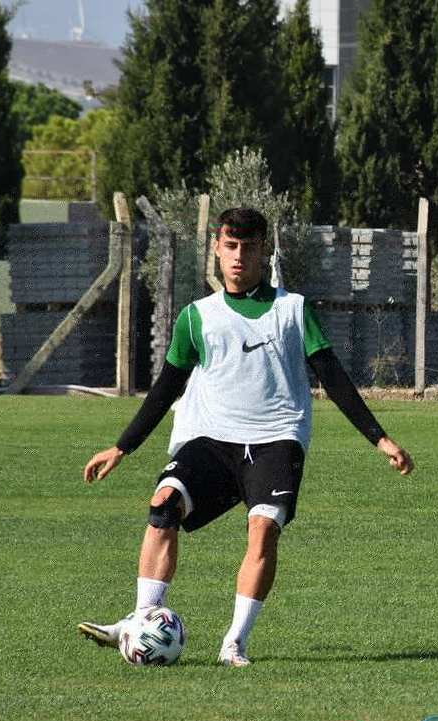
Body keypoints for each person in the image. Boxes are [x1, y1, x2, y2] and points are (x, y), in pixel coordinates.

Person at [78, 207, 414, 667]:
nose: (238, 257)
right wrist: (122, 446)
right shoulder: (197, 317)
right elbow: (166, 387)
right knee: (164, 505)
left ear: (263, 252)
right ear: (216, 248)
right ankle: (140, 620)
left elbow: (333, 377)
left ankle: (234, 643)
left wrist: (380, 439)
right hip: (210, 439)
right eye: (231, 246)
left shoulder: (293, 310)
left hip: (276, 439)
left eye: (248, 248)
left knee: (263, 529)